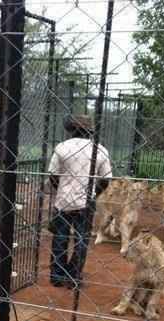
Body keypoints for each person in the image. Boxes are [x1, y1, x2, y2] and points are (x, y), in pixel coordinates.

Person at [48, 115, 112, 288]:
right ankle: (73, 276)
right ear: (89, 132)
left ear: (72, 130)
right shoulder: (100, 150)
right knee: (81, 240)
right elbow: (106, 179)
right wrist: (93, 194)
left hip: (63, 200)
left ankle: (57, 276)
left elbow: (53, 175)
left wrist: (62, 189)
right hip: (86, 202)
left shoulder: (62, 147)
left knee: (60, 237)